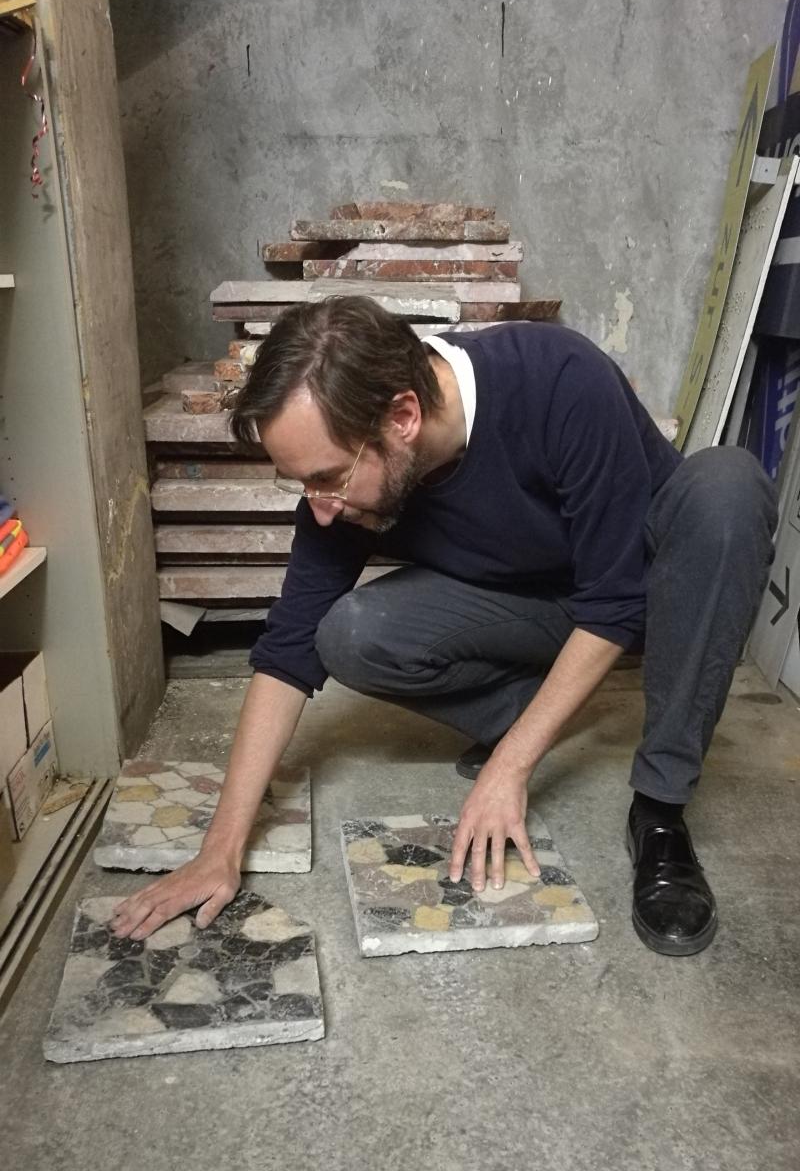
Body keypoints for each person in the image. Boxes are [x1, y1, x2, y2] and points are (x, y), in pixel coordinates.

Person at [112, 296, 777, 956]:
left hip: (647, 600)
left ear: (403, 415)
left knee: (728, 485)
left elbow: (616, 597)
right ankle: (527, 712)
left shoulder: (557, 377)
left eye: (325, 478)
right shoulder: (348, 474)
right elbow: (287, 650)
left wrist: (511, 769)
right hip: (539, 613)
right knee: (349, 630)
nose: (319, 508)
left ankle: (659, 809)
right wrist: (220, 850)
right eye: (301, 485)